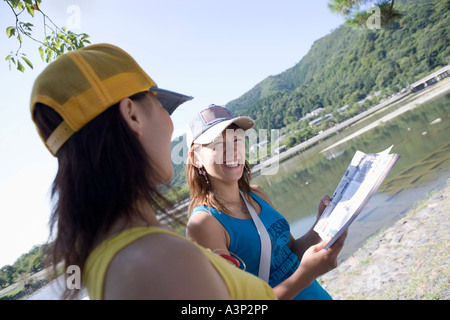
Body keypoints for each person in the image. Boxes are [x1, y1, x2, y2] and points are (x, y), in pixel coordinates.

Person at [30, 44, 277, 300]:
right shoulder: (159, 261)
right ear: (132, 115)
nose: (171, 125)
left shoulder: (108, 259)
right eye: (162, 106)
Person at [185, 105, 347, 300]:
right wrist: (307, 274)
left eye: (237, 139)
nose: (232, 150)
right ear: (195, 158)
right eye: (218, 144)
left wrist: (322, 223)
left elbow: (290, 255)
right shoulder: (204, 224)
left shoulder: (256, 194)